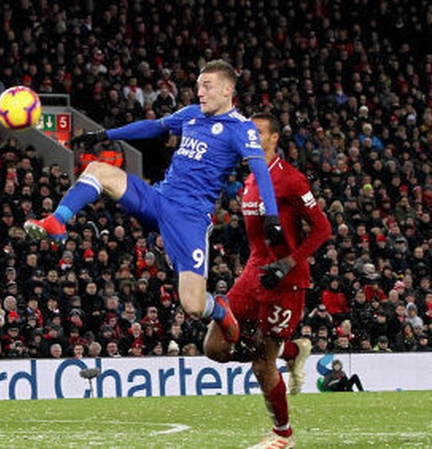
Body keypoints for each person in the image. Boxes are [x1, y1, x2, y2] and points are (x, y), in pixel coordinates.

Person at [25, 60, 284, 343]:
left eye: (207, 87)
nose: (200, 92)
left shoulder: (241, 128)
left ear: (227, 90)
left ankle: (219, 309)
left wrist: (272, 217)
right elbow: (153, 127)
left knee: (193, 306)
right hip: (159, 199)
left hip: (190, 219)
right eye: (198, 86)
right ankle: (57, 220)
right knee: (97, 170)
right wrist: (104, 135)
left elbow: (260, 171)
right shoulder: (191, 114)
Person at [203, 112, 332, 448]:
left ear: (275, 137)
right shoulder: (250, 179)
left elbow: (322, 229)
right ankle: (292, 350)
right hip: (253, 273)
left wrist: (288, 262)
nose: (251, 138)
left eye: (257, 132)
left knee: (262, 365)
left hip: (286, 280)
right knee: (214, 348)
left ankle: (282, 436)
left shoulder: (291, 179)